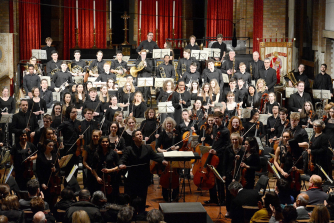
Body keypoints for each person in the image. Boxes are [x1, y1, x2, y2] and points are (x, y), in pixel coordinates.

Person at [119, 130, 168, 212]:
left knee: (142, 197)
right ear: (133, 138)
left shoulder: (148, 148)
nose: (140, 136)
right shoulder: (129, 149)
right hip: (132, 178)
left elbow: (155, 156)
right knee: (132, 198)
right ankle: (133, 214)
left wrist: (162, 161)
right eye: (137, 135)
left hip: (143, 177)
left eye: (141, 134)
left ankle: (141, 214)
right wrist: (120, 165)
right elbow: (122, 160)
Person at [204, 111, 231, 205]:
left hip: (221, 157)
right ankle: (213, 199)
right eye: (214, 118)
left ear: (221, 119)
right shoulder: (214, 128)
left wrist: (217, 151)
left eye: (217, 118)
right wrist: (212, 149)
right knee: (211, 177)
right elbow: (215, 143)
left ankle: (222, 200)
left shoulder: (226, 131)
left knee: (219, 179)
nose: (215, 120)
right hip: (213, 156)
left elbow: (227, 146)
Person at [92, 136, 120, 203]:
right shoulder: (96, 154)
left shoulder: (113, 153)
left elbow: (118, 166)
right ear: (100, 143)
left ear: (109, 143)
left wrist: (110, 170)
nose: (105, 143)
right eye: (103, 142)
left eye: (106, 142)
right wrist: (97, 177)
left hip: (112, 178)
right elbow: (93, 168)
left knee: (112, 196)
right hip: (100, 179)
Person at [222, 133, 245, 217]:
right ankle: (228, 210)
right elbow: (224, 162)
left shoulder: (242, 150)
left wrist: (239, 159)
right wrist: (224, 174)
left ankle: (237, 211)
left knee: (238, 193)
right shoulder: (228, 149)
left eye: (236, 139)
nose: (234, 141)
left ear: (239, 140)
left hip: (238, 174)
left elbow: (244, 161)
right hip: (229, 174)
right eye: (233, 139)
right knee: (229, 193)